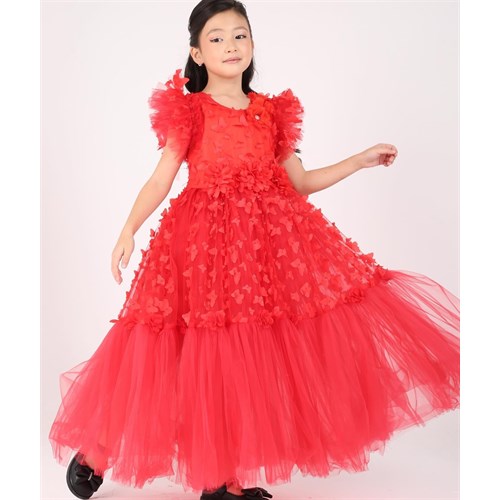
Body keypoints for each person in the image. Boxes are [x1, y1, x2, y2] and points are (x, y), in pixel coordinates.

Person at [48, 0, 460, 499]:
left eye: (239, 35)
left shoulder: (271, 112)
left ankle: (221, 478)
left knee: (238, 360)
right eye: (216, 38)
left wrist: (360, 160)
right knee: (168, 353)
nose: (230, 45)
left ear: (252, 43)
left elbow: (300, 183)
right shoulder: (190, 110)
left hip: (261, 253)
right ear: (197, 53)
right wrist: (128, 229)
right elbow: (161, 179)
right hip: (199, 251)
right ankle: (97, 449)